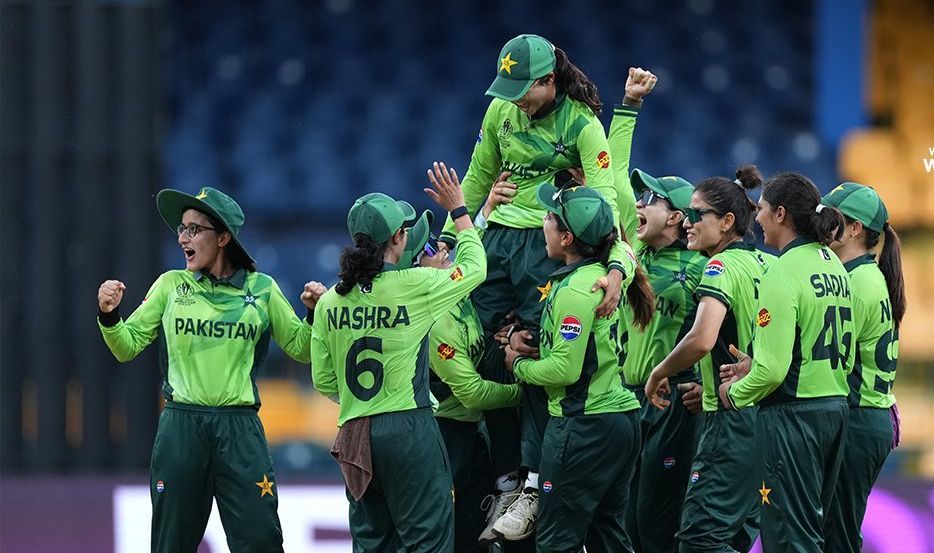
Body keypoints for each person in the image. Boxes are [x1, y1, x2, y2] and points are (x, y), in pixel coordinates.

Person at [438, 33, 644, 542]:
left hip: (546, 246)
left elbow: (606, 205)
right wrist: (449, 238)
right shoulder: (500, 115)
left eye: (521, 89)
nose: (512, 100)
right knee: (490, 345)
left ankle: (532, 484)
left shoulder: (583, 125)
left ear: (549, 81)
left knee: (535, 354)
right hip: (498, 241)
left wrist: (617, 266)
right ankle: (509, 479)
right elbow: (478, 174)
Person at [96, 187, 324, 553]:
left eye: (194, 229)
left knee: (261, 540)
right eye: (182, 230)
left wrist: (314, 313)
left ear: (222, 237)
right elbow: (127, 346)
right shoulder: (170, 286)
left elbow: (300, 348)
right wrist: (109, 315)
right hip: (182, 428)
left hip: (240, 429)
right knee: (172, 543)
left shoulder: (261, 289)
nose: (183, 238)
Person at [310, 163, 485, 552]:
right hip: (408, 427)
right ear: (398, 238)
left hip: (355, 431)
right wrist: (459, 211)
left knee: (372, 543)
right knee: (428, 541)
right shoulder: (416, 284)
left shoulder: (329, 302)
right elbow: (475, 267)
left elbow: (324, 382)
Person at [504, 184, 643, 552]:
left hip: (583, 425)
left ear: (567, 238)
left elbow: (564, 372)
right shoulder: (609, 274)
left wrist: (518, 365)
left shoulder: (575, 290)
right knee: (608, 534)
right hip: (622, 418)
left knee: (556, 542)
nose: (543, 221)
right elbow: (625, 251)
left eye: (550, 217)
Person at [718, 172, 852, 552]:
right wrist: (757, 364)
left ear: (780, 214)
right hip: (834, 411)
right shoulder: (835, 267)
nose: (755, 218)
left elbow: (774, 372)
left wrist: (735, 391)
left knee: (787, 538)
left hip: (793, 420)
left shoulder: (781, 271)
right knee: (813, 532)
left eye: (760, 209)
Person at [643, 166, 773, 552]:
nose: (687, 221)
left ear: (728, 222)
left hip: (728, 423)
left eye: (698, 214)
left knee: (700, 538)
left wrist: (659, 371)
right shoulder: (767, 264)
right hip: (764, 421)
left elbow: (702, 339)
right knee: (731, 538)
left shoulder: (719, 266)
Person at [398, 209, 523, 553]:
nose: (441, 248)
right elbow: (472, 394)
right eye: (429, 249)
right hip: (445, 437)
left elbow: (472, 254)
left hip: (470, 436)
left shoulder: (452, 290)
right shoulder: (434, 318)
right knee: (453, 538)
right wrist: (526, 390)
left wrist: (484, 211)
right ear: (415, 270)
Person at [623, 169, 707, 553]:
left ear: (675, 217)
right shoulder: (628, 257)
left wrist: (707, 383)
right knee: (623, 519)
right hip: (622, 401)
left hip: (669, 402)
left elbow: (726, 336)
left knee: (654, 519)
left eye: (650, 199)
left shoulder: (700, 268)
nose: (639, 203)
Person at [820, 183, 904, 553]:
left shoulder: (854, 282)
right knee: (836, 529)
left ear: (853, 229)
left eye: (830, 215)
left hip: (859, 417)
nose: (820, 221)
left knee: (838, 534)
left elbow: (828, 355)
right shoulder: (867, 276)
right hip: (868, 415)